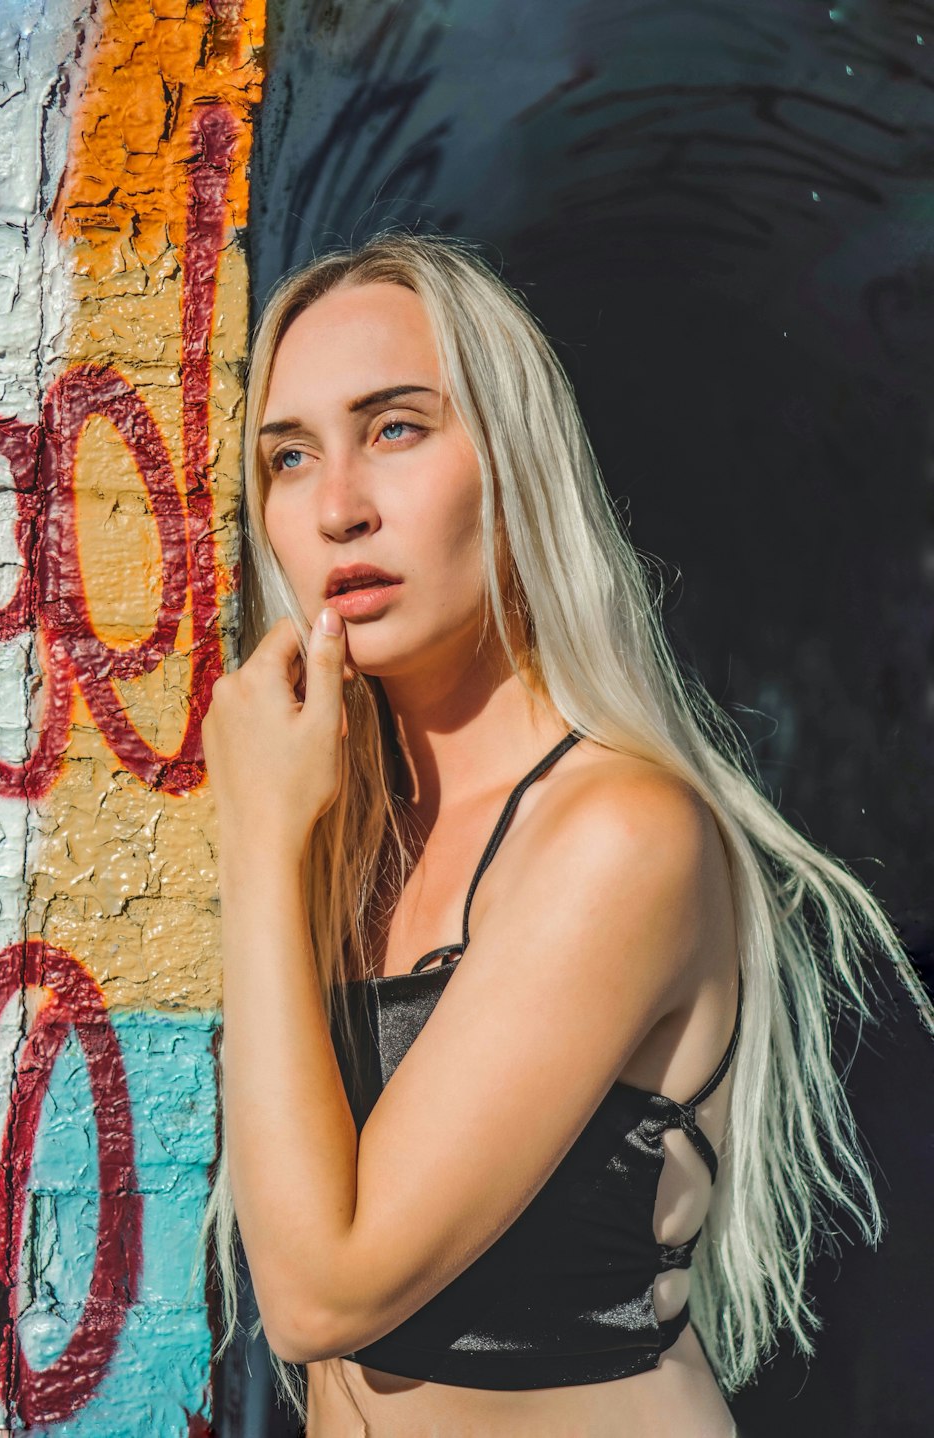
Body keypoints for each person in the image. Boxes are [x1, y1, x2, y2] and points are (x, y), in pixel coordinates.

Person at [198, 231, 933, 1437]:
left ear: (514, 462)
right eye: (288, 456)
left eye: (395, 428)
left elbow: (323, 1297)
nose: (336, 508)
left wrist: (260, 844)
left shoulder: (618, 832)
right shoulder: (344, 832)